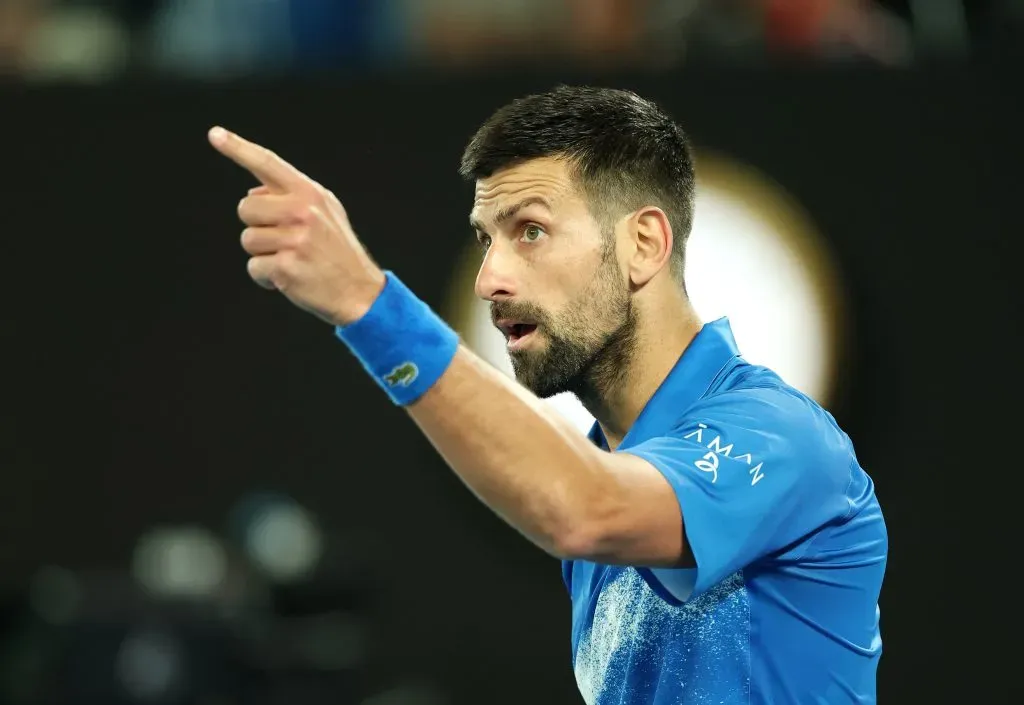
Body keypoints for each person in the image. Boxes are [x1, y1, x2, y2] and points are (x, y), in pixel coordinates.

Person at [207, 85, 887, 705]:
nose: (490, 278)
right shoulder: (599, 485)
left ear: (643, 244)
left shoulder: (782, 436)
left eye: (530, 230)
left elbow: (583, 507)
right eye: (486, 239)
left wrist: (369, 303)